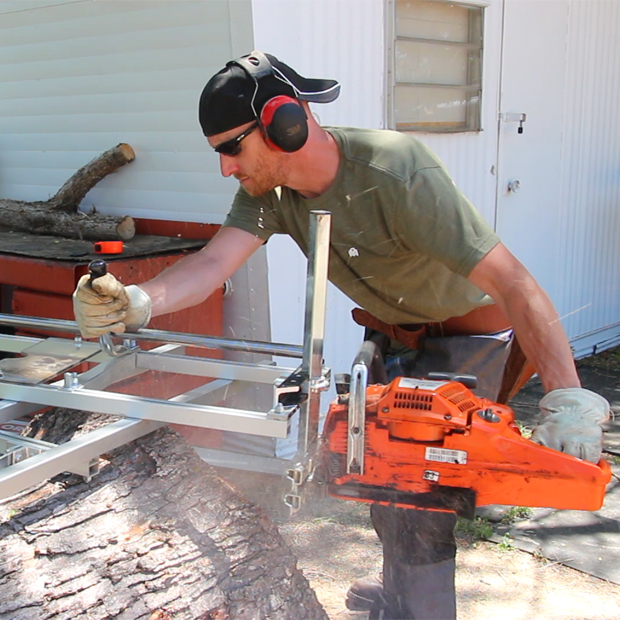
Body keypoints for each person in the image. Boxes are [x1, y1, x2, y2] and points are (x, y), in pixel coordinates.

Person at [72, 51, 610, 620]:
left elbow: (515, 283)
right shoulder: (271, 194)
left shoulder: (395, 171)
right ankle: (401, 594)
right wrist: (137, 302)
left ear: (285, 121)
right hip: (391, 334)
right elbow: (211, 265)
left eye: (233, 147)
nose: (226, 167)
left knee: (421, 499)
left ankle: (424, 612)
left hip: (462, 339)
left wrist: (569, 397)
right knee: (377, 475)